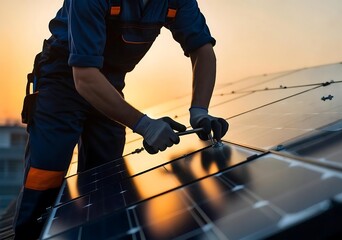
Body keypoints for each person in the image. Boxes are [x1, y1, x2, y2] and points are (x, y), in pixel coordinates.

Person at [14, 0, 228, 239]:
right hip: (61, 84)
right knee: (44, 177)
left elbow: (202, 49)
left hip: (110, 85)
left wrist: (199, 111)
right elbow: (84, 77)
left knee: (104, 181)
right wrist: (145, 125)